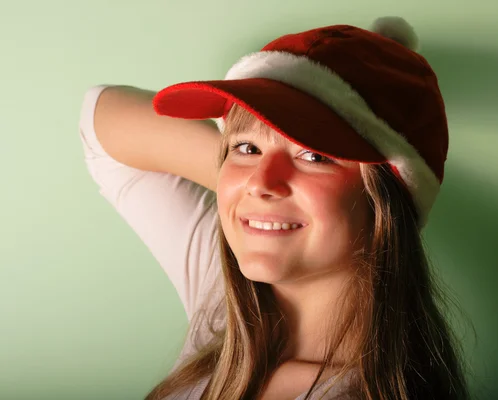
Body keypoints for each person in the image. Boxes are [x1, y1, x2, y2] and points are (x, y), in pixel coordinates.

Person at [79, 16, 470, 400]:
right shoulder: (225, 304)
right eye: (247, 148)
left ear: (386, 197)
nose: (263, 182)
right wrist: (245, 189)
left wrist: (256, 185)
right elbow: (99, 117)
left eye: (315, 155)